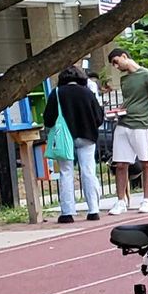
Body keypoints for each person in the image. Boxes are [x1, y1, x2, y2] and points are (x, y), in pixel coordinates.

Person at [46, 66, 104, 223]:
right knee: (88, 171)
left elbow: (48, 119)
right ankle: (93, 210)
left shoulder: (57, 93)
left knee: (66, 172)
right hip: (87, 136)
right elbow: (99, 118)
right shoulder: (87, 93)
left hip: (64, 138)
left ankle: (67, 212)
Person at [106, 46, 148, 214]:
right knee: (120, 164)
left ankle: (146, 199)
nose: (116, 67)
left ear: (124, 56)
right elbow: (128, 101)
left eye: (116, 62)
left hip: (141, 124)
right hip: (123, 123)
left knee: (146, 161)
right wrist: (118, 110)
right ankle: (120, 201)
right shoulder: (125, 79)